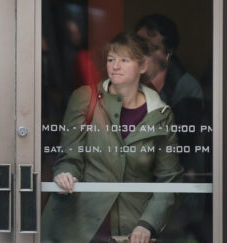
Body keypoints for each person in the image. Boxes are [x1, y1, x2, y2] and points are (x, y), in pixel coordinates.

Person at [41, 32, 183, 243]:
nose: (115, 66)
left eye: (124, 60)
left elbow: (169, 178)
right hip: (79, 224)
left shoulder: (161, 114)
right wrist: (65, 174)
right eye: (110, 59)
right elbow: (70, 156)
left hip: (131, 229)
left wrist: (147, 224)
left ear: (142, 66)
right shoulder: (84, 98)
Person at [135, 15, 206, 180]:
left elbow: (186, 147)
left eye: (151, 49)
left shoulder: (186, 87)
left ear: (169, 53)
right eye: (138, 48)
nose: (142, 56)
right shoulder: (125, 81)